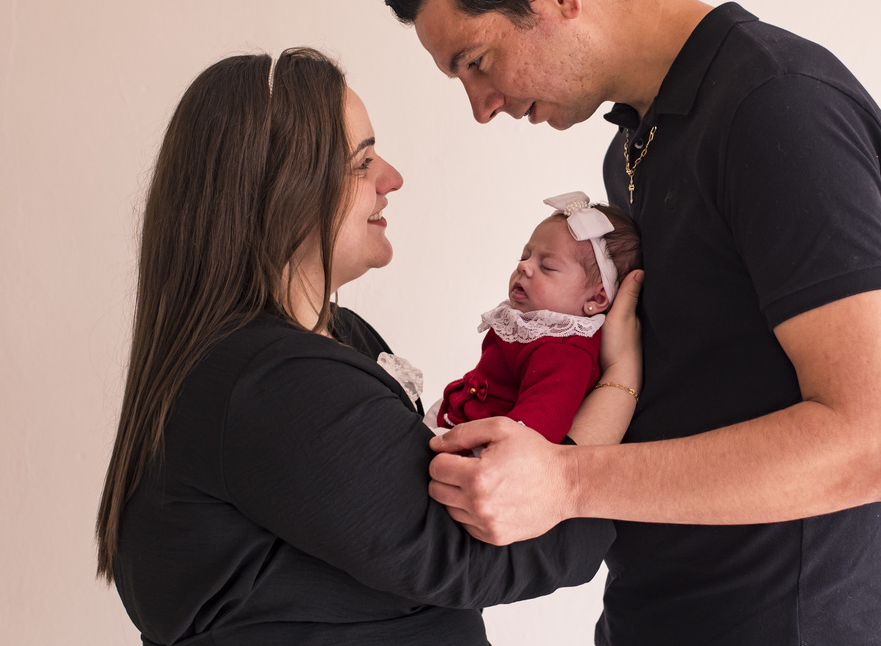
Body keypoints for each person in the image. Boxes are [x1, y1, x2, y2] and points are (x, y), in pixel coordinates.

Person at [386, 0, 881, 646]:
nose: (481, 105)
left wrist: (566, 481)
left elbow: (878, 442)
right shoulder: (633, 147)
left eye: (477, 61)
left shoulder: (779, 108)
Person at [94, 47, 643, 646]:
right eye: (362, 162)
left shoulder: (338, 338)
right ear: (284, 192)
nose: (391, 178)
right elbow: (480, 553)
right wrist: (620, 381)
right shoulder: (275, 385)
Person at [430, 192, 643, 443]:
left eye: (547, 266)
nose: (523, 266)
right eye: (525, 256)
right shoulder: (527, 325)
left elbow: (539, 423)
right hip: (457, 412)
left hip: (485, 445)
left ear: (595, 300)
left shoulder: (566, 350)